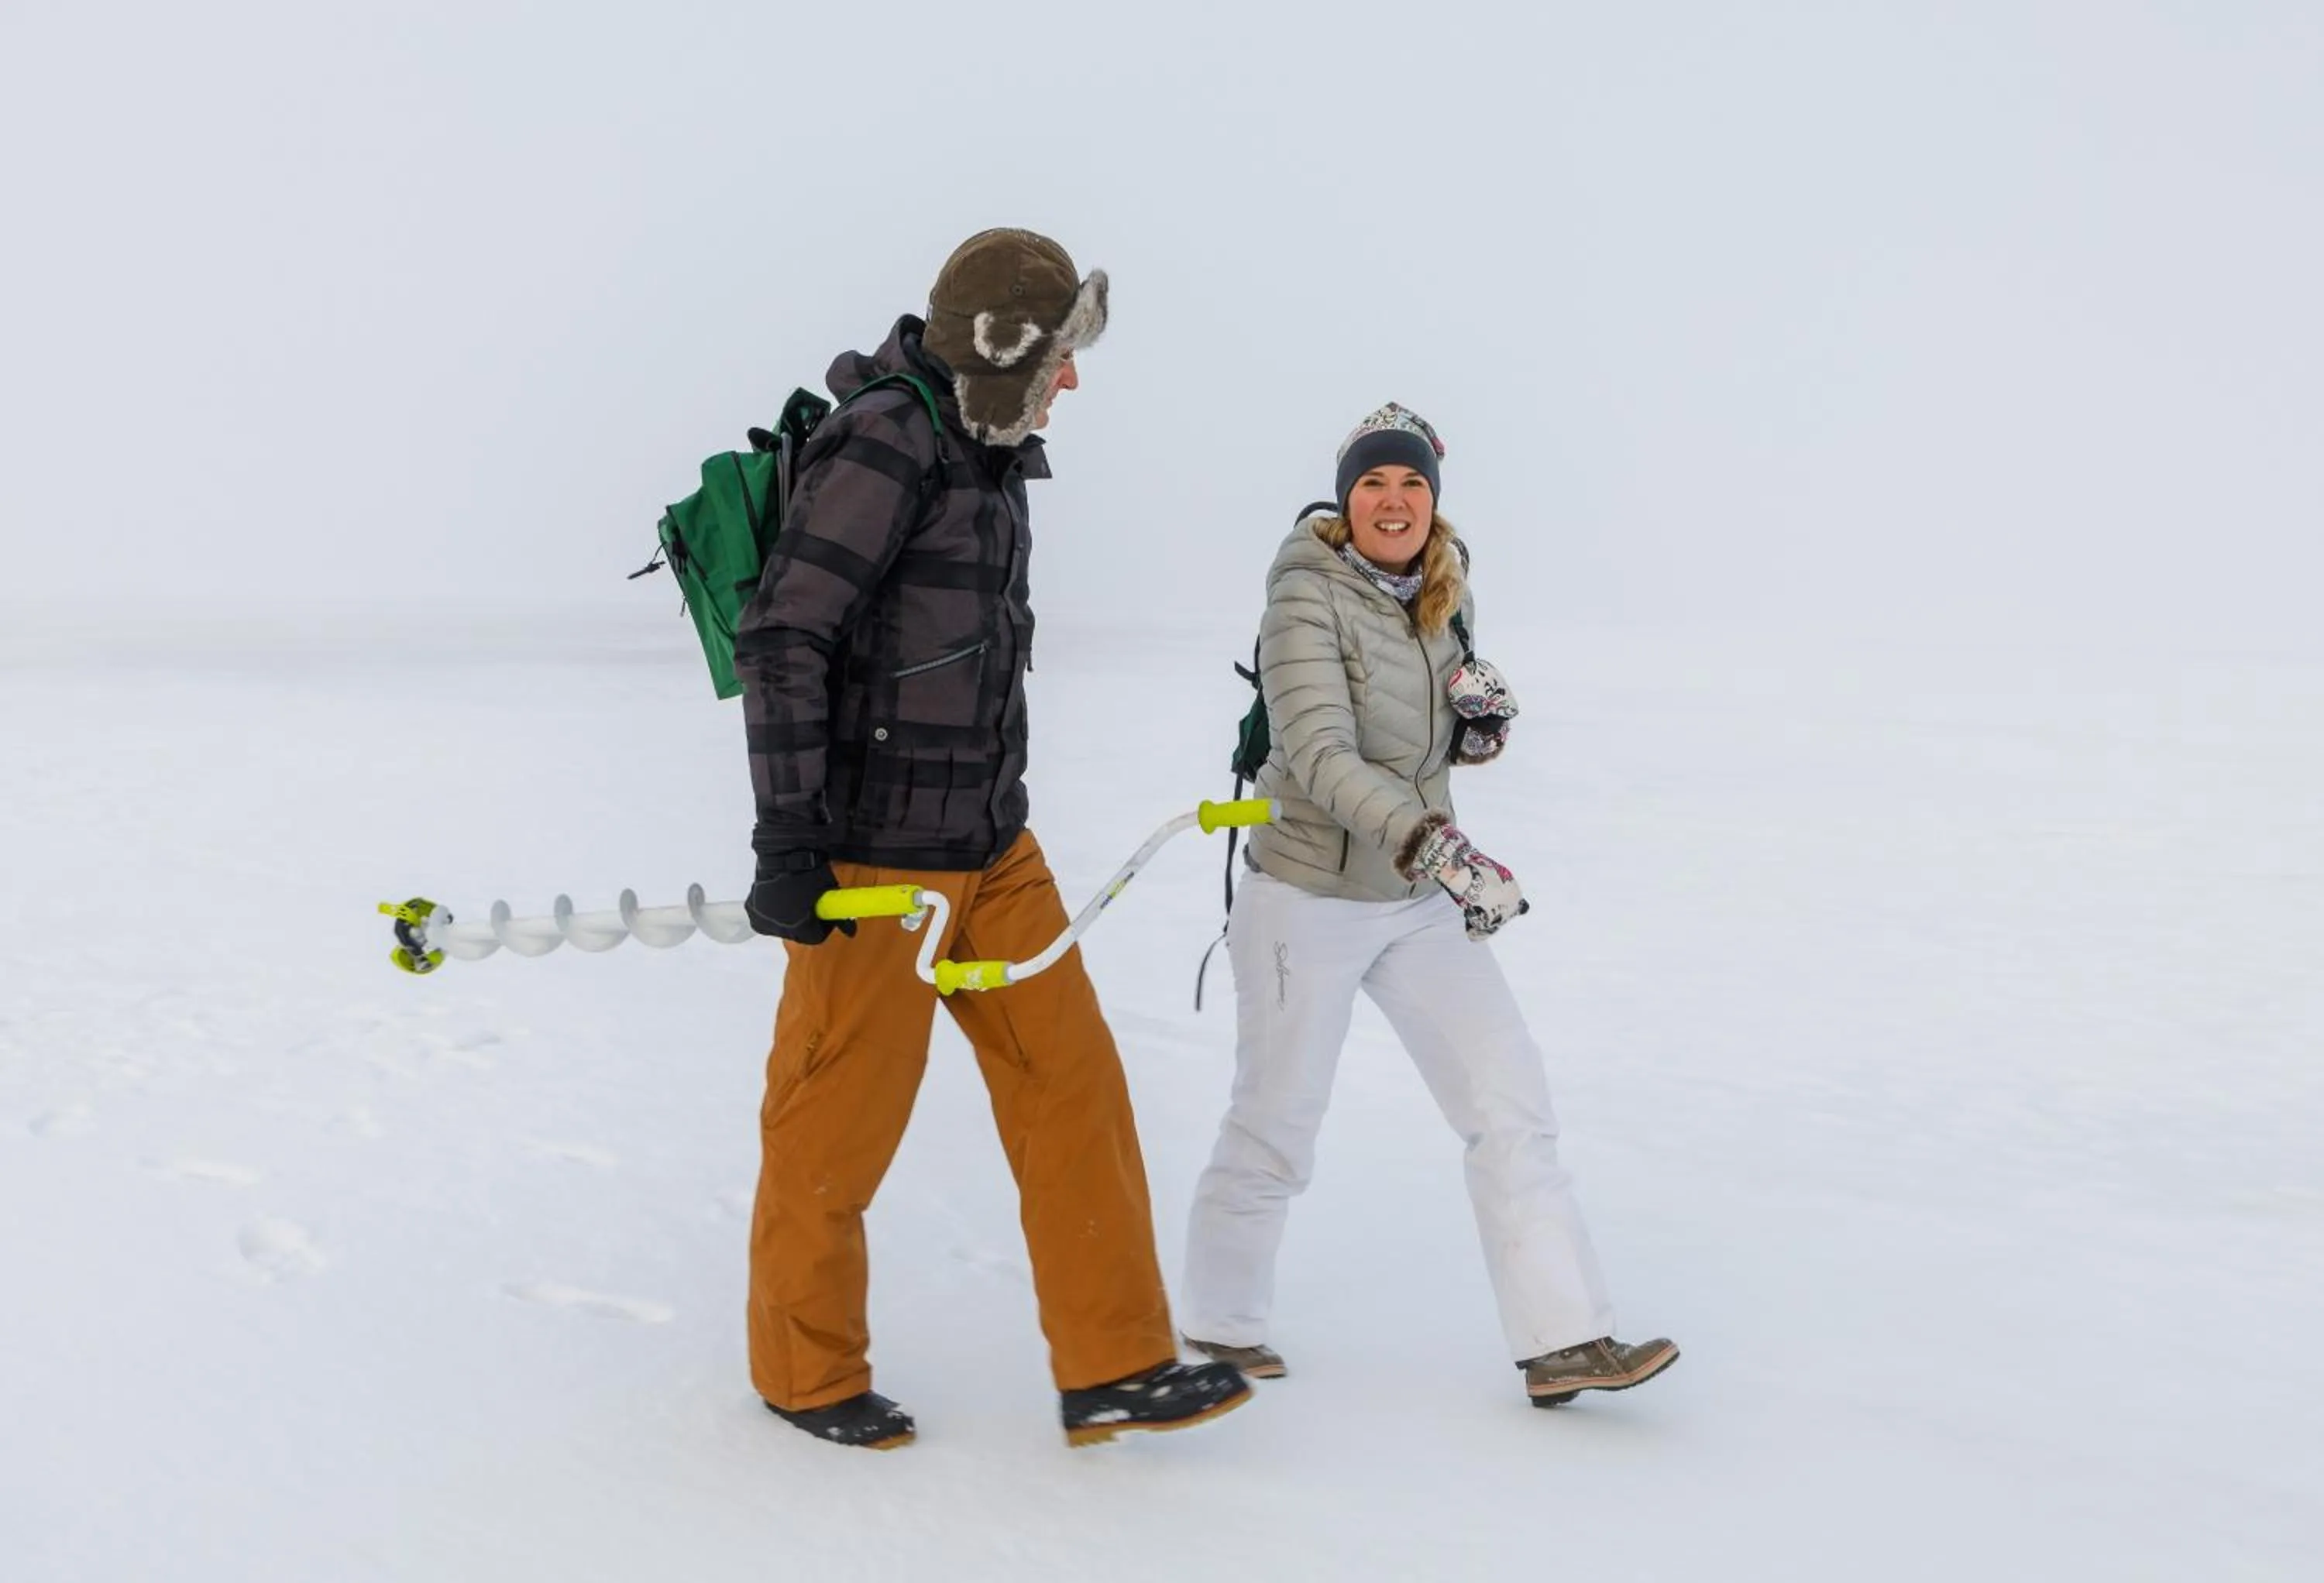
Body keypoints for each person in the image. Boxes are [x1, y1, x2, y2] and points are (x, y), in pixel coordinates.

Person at [734, 229, 1250, 1449]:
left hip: (995, 848)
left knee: (1074, 1087)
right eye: (1061, 355)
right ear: (1006, 347)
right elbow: (786, 635)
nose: (1072, 381)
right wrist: (789, 841)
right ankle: (802, 1373)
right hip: (875, 862)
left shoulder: (990, 451)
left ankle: (1115, 1365)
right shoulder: (889, 441)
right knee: (835, 1124)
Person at [1179, 403, 1679, 1407]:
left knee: (1509, 1103)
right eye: (1373, 483)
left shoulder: (1443, 593)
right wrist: (1434, 843)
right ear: (1345, 498)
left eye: (1411, 484)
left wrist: (1478, 731)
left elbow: (1428, 741)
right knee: (1278, 1122)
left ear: (1433, 501)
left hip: (1414, 897)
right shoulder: (1303, 595)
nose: (1393, 500)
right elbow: (1319, 756)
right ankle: (1219, 1325)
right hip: (1307, 895)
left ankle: (1564, 1338)